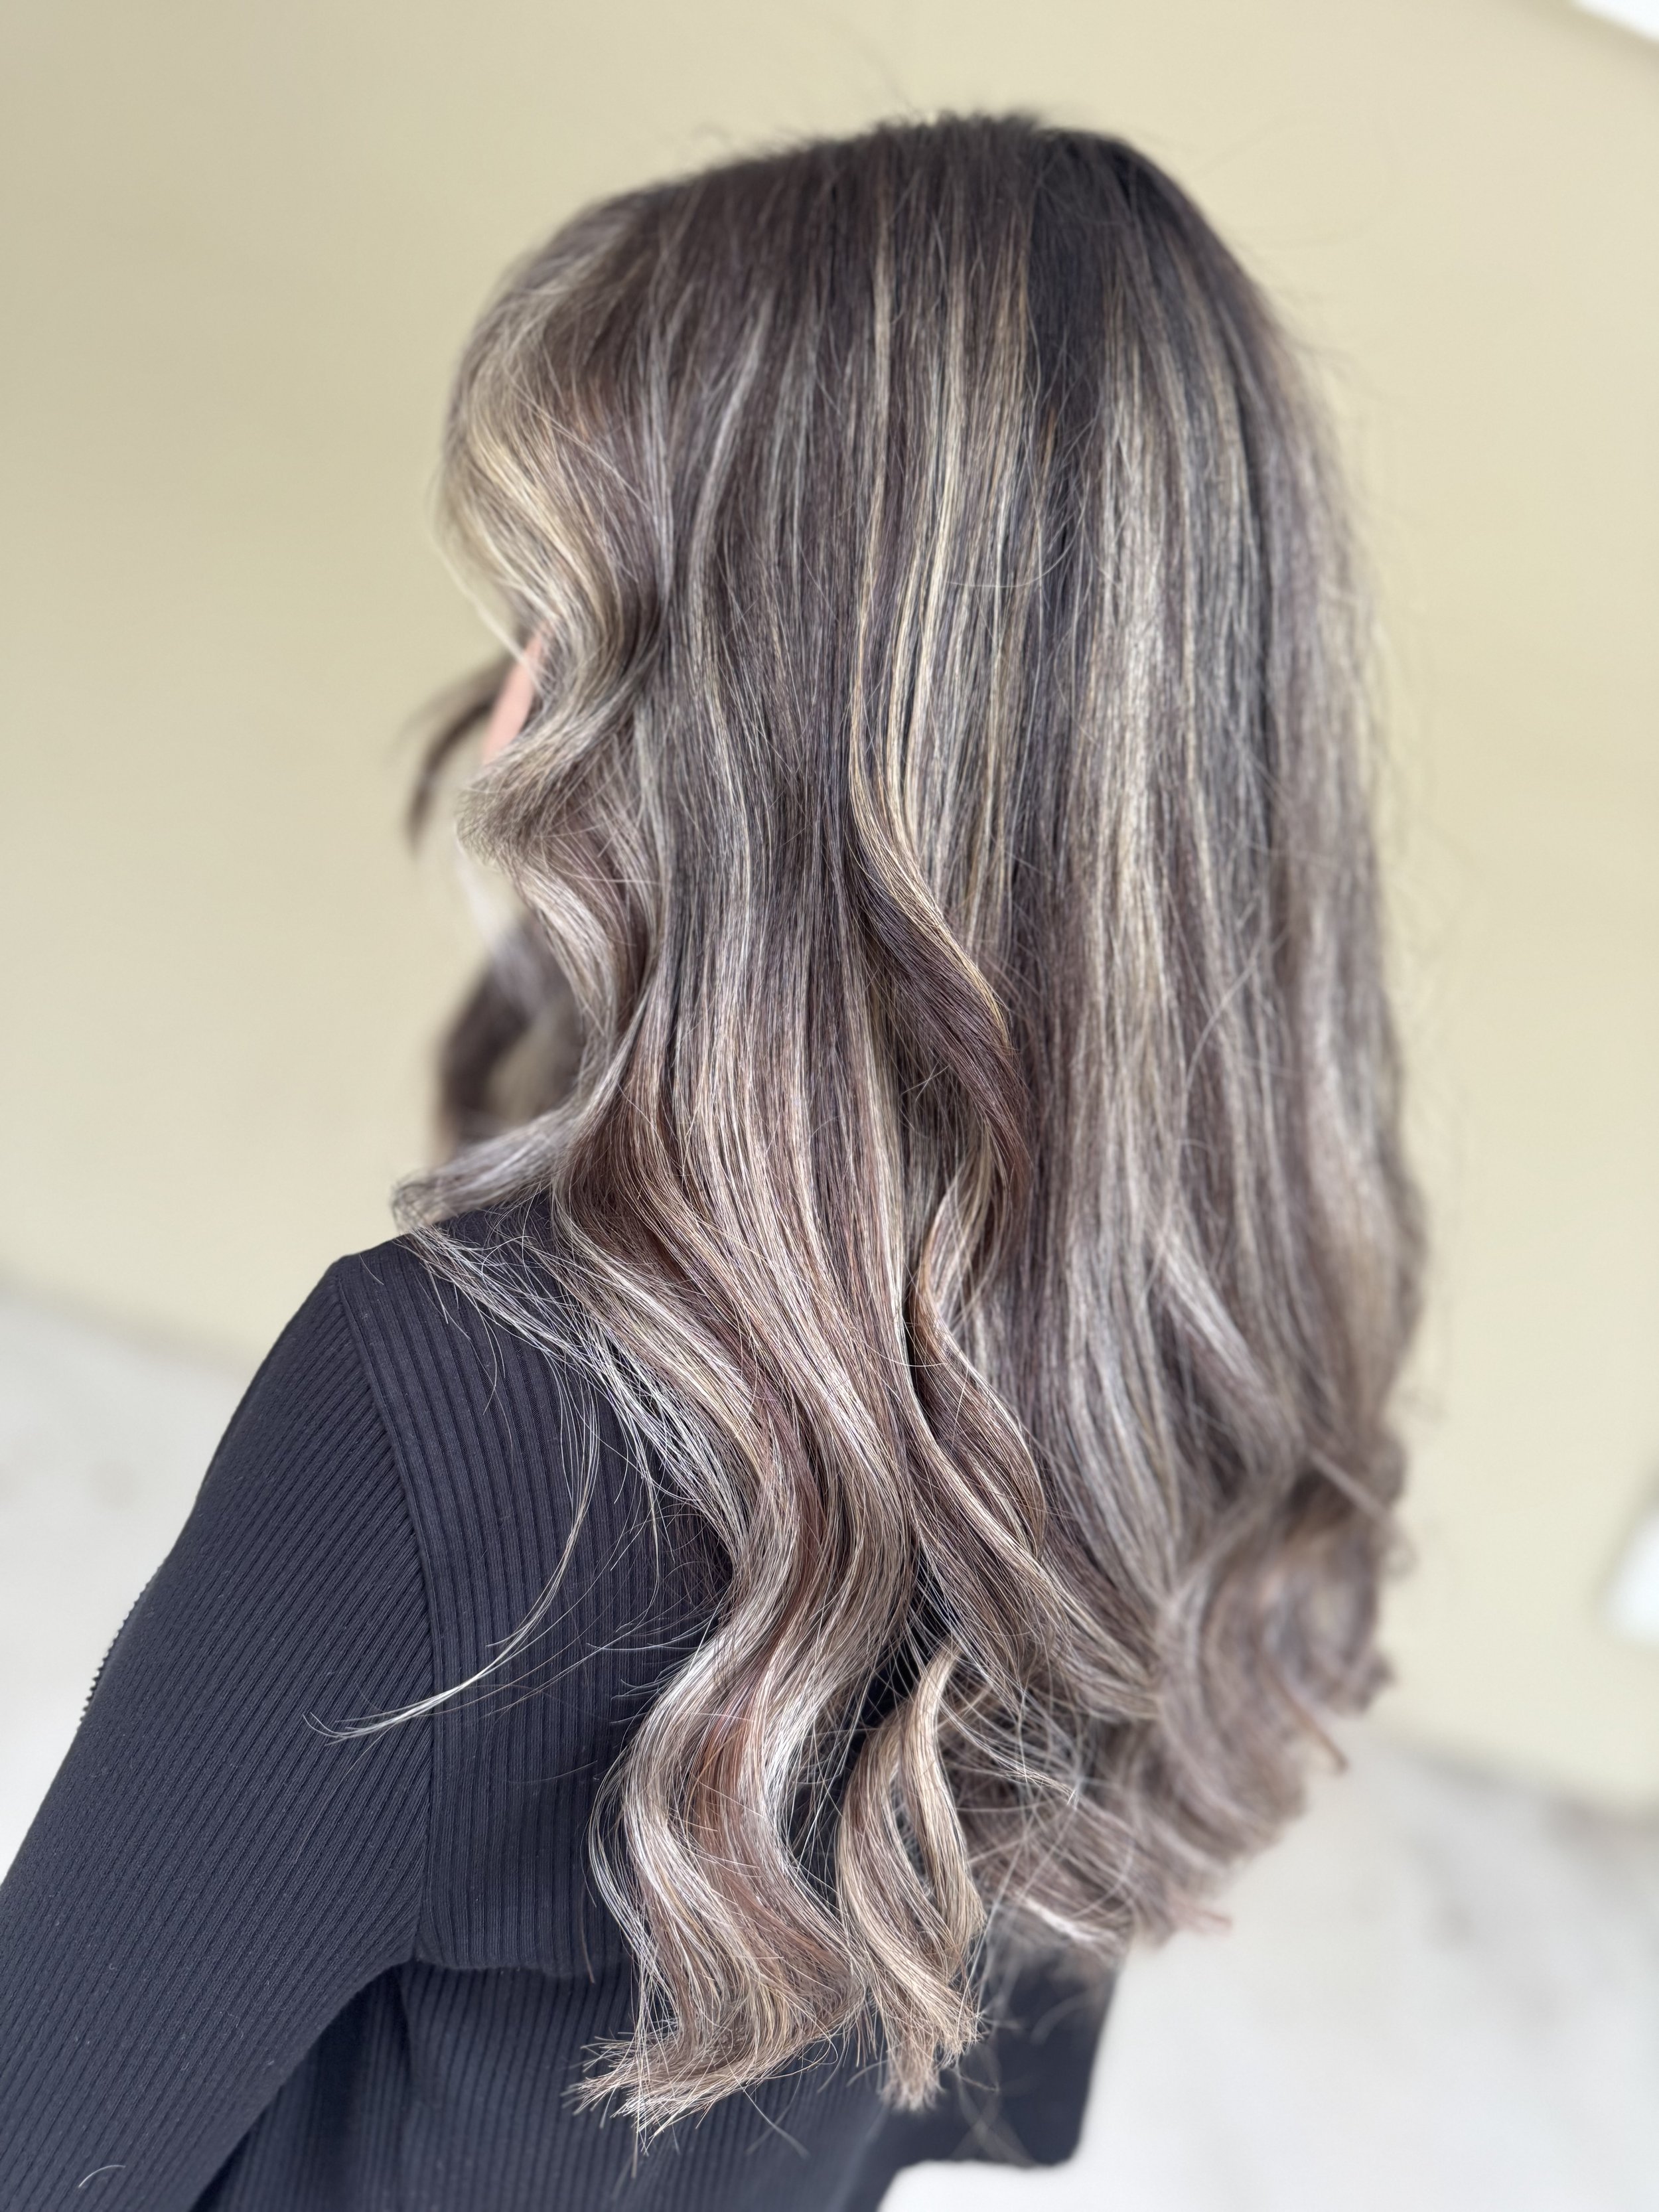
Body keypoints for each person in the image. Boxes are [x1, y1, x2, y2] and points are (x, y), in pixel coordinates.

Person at [0, 113, 1421, 2210]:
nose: (506, 724)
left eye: (575, 629)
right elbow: (983, 2094)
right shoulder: (1224, 1316)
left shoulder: (450, 1419)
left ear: (766, 750)